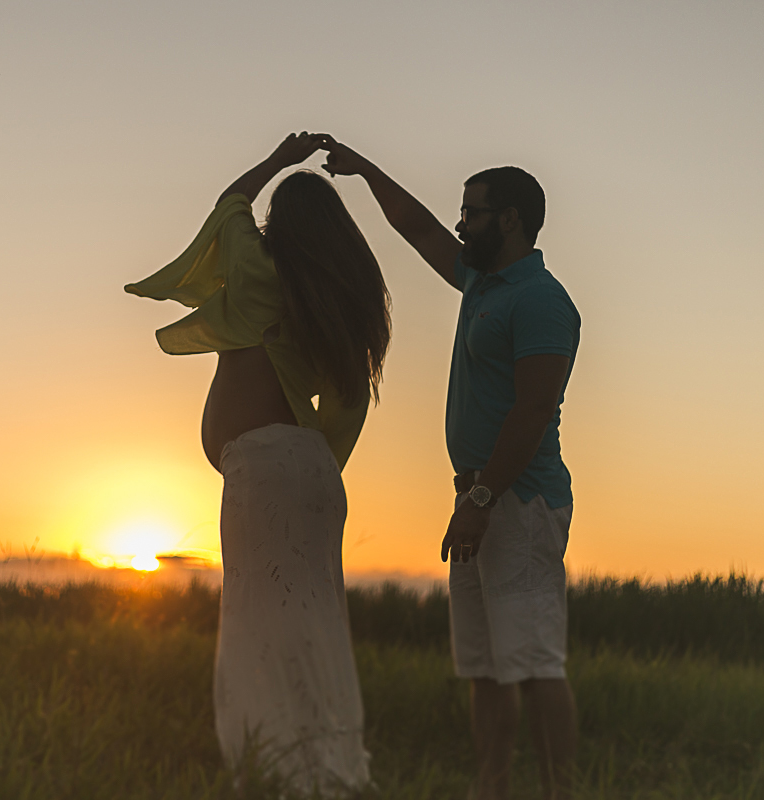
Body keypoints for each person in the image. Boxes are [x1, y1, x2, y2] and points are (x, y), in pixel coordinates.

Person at [124, 133, 391, 796]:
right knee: (311, 624)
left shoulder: (257, 278)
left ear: (283, 228)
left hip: (268, 476)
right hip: (312, 475)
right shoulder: (335, 303)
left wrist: (278, 162)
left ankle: (276, 772)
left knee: (259, 626)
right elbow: (347, 410)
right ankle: (319, 767)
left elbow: (229, 205)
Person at [321, 137, 580, 800]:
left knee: (536, 663)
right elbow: (416, 228)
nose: (460, 222)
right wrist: (362, 166)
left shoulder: (543, 300)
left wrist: (485, 498)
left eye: (472, 211)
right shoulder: (480, 280)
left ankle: (561, 791)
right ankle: (490, 789)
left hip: (518, 504)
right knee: (487, 669)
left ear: (510, 220)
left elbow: (531, 412)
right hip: (478, 500)